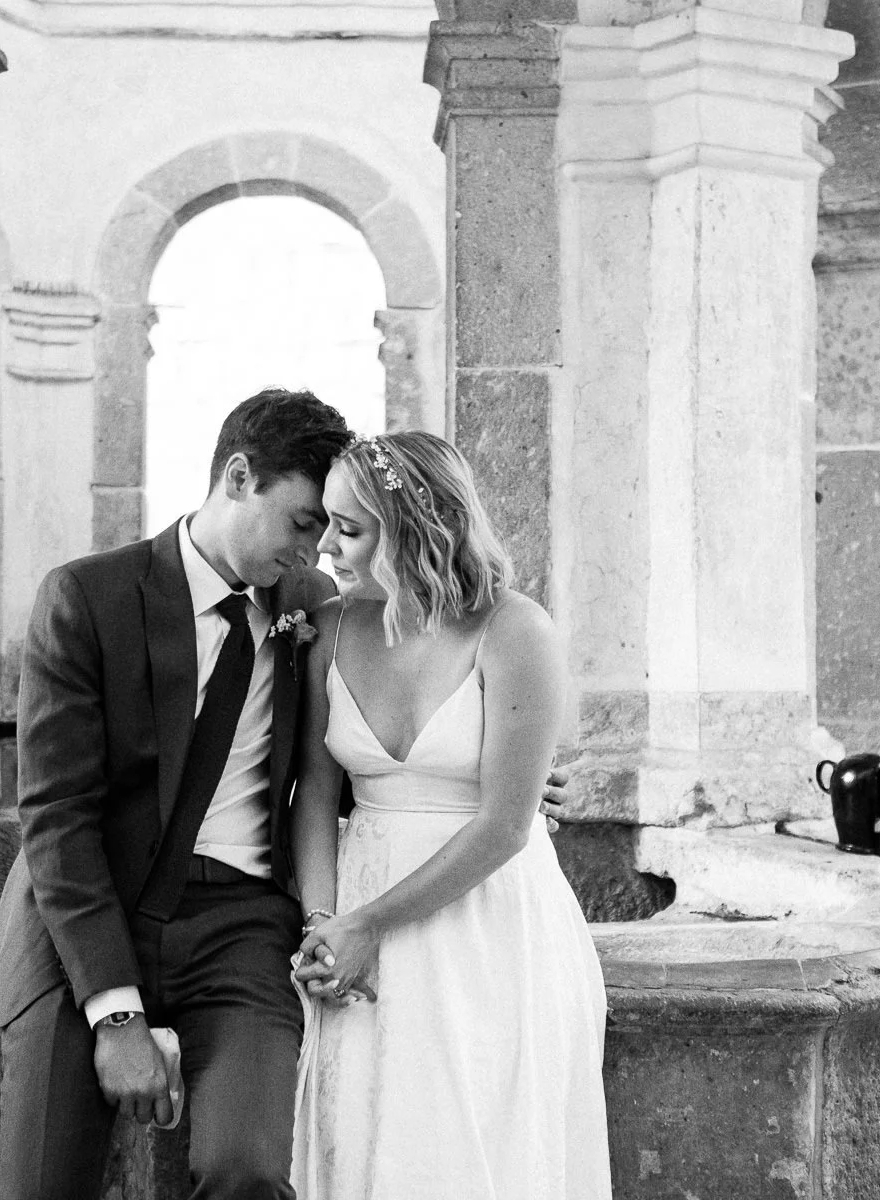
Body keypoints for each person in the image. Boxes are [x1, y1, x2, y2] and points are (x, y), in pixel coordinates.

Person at [0, 388, 352, 1200]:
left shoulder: (313, 608)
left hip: (240, 925)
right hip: (83, 917)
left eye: (325, 534)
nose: (312, 552)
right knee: (40, 1188)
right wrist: (116, 1015)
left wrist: (503, 779)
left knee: (248, 1171)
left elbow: (370, 740)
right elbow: (57, 818)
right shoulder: (87, 597)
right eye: (302, 523)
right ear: (239, 477)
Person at [289, 431, 611, 1200]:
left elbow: (505, 825)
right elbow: (314, 796)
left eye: (349, 529)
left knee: (479, 1153)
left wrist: (369, 926)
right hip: (358, 909)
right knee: (361, 1144)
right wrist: (325, 926)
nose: (325, 546)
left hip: (487, 922)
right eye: (326, 522)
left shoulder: (517, 631)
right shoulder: (328, 630)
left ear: (413, 532)